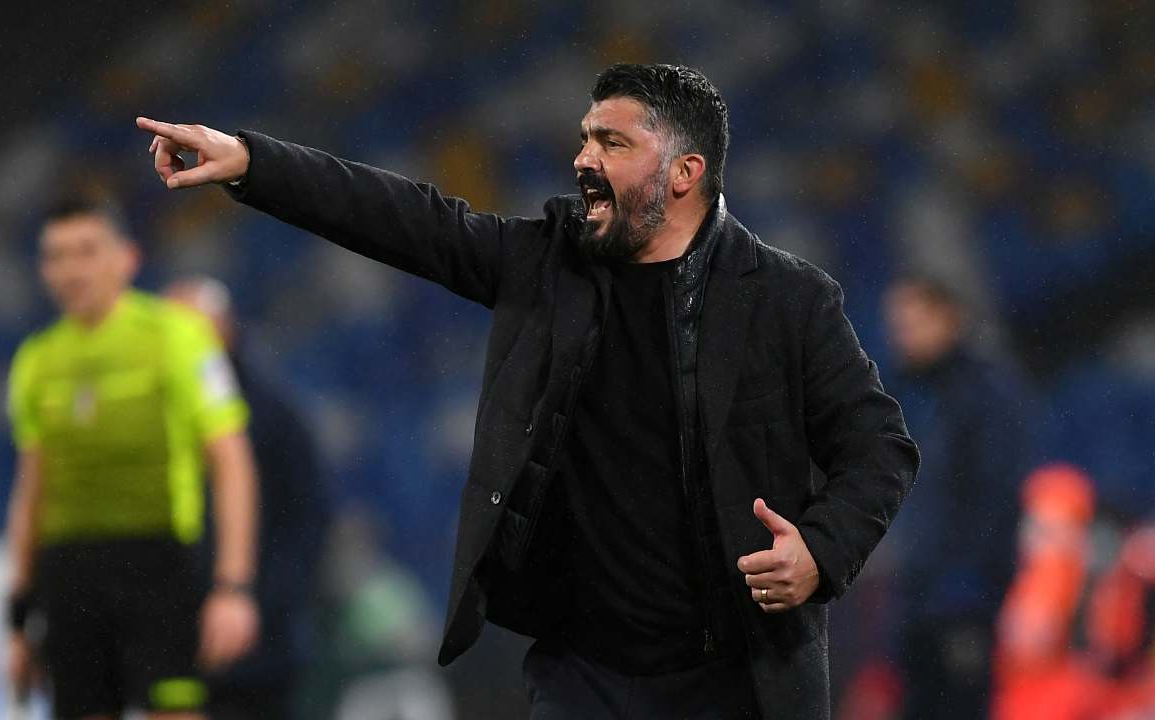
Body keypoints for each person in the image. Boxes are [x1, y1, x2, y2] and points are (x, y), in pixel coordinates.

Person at [137, 63, 920, 720]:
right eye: (585, 137)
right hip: (586, 673)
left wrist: (819, 550)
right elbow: (408, 221)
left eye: (612, 142)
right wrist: (252, 162)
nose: (583, 159)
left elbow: (880, 448)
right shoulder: (548, 266)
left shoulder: (788, 301)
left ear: (684, 173)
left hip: (734, 675)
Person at [3, 199, 260, 720]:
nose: (72, 269)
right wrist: (19, 618)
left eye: (87, 251)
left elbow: (232, 462)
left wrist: (233, 586)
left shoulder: (177, 337)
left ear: (127, 258)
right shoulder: (37, 361)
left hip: (158, 565)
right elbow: (32, 490)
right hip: (69, 575)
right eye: (56, 256)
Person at [163, 276, 329, 720]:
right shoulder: (152, 412)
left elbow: (307, 518)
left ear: (225, 330)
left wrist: (264, 599)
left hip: (262, 642)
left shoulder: (274, 415)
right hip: (174, 633)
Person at [882, 274, 1033, 718]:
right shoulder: (902, 392)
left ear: (949, 318)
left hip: (965, 595)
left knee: (961, 705)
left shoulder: (987, 394)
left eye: (913, 323)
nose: (902, 336)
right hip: (916, 593)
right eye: (898, 325)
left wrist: (970, 591)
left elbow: (997, 499)